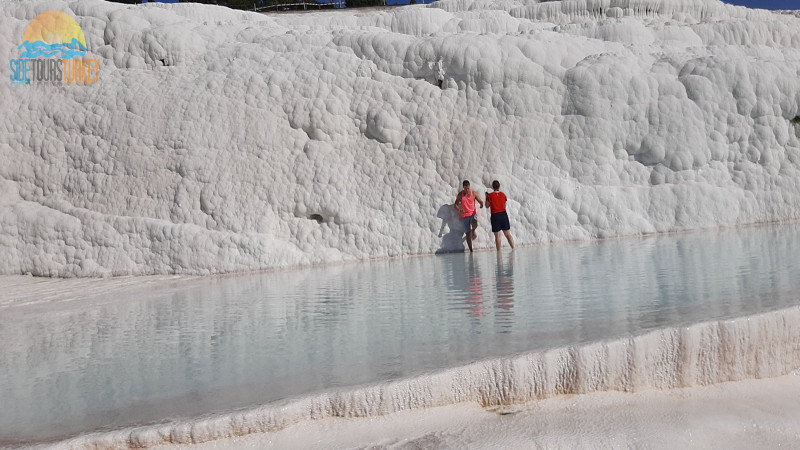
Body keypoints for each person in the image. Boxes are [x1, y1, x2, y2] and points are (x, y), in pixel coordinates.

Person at [454, 180, 484, 252]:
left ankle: (473, 230)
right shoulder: (460, 195)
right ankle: (471, 250)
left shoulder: (473, 193)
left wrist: (481, 204)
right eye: (465, 188)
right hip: (465, 216)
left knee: (474, 222)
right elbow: (455, 205)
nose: (467, 190)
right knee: (468, 234)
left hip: (473, 214)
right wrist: (460, 210)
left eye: (468, 188)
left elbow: (480, 200)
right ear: (463, 188)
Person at [485, 180, 515, 250]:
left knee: (497, 236)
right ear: (499, 186)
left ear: (493, 187)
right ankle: (513, 248)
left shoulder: (490, 196)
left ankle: (499, 253)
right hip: (503, 215)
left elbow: (487, 206)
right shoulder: (503, 195)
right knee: (508, 234)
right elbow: (504, 206)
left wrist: (486, 197)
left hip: (495, 215)